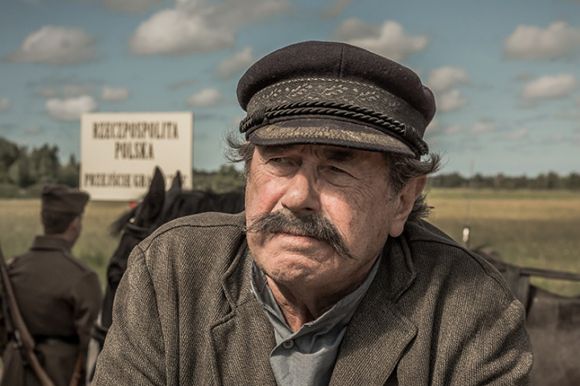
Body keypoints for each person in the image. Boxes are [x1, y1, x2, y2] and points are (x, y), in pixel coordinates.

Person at [93, 41, 532, 385]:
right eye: (281, 161)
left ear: (401, 200)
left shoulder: (470, 308)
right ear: (248, 173)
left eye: (337, 168)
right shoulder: (169, 274)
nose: (298, 196)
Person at [0, 184, 102, 386]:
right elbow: (91, 345)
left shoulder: (13, 268)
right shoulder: (82, 277)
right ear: (75, 223)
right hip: (62, 374)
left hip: (14, 373)